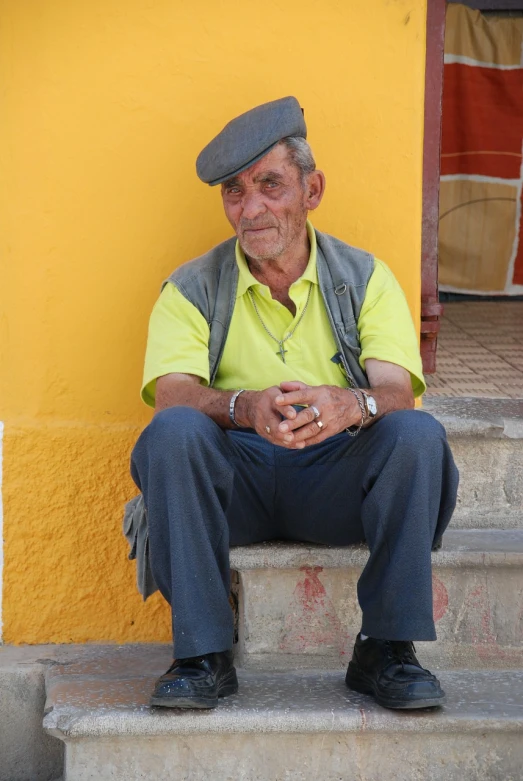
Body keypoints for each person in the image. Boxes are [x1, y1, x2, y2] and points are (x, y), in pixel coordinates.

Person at [129, 96, 459, 712]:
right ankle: (202, 654)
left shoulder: (365, 278)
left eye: (270, 185)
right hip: (236, 486)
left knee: (416, 435)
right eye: (234, 192)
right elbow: (172, 395)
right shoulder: (191, 287)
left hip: (335, 482)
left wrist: (351, 404)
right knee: (172, 432)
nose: (251, 209)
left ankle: (386, 648)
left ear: (313, 189)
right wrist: (244, 406)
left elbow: (398, 392)